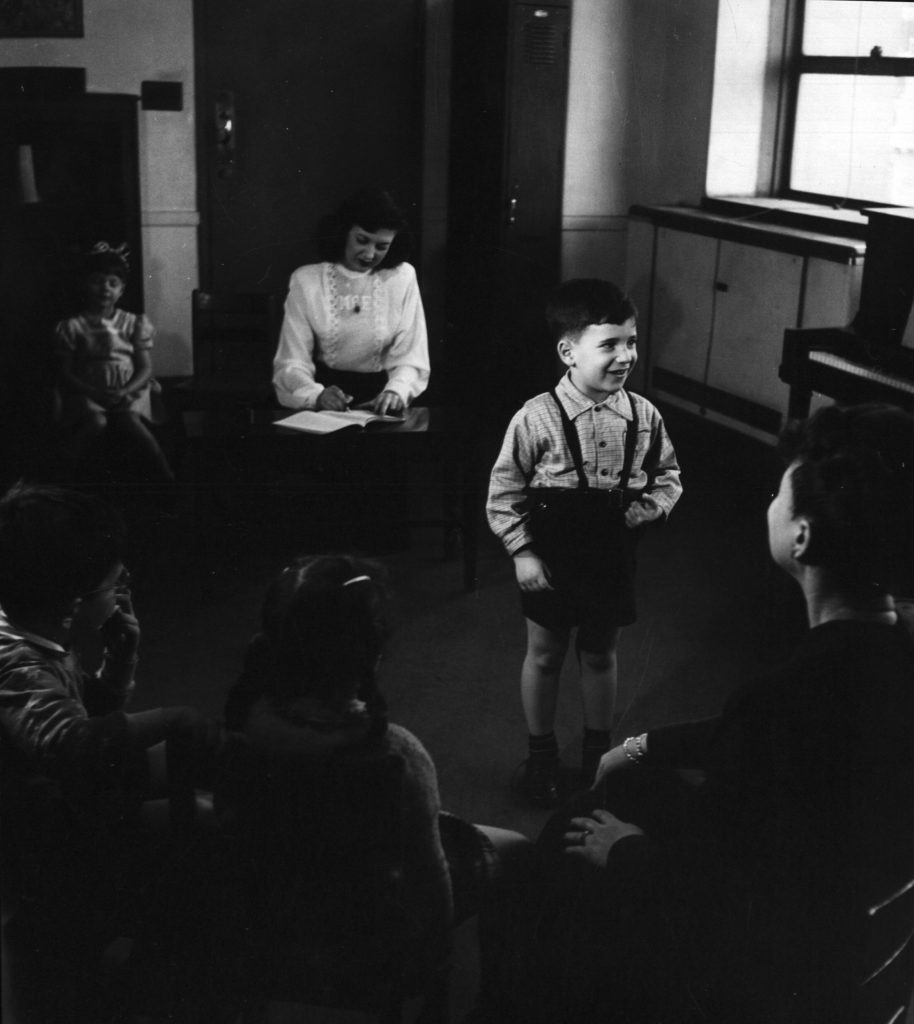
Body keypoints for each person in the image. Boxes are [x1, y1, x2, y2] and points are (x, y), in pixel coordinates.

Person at [512, 402, 914, 1023]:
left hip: (768, 973)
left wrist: (624, 850)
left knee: (574, 839)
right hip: (872, 949)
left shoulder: (786, 694)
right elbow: (762, 737)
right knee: (630, 778)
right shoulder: (885, 652)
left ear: (801, 536)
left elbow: (715, 892)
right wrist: (640, 744)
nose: (773, 503)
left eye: (781, 492)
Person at [210, 554, 531, 1016]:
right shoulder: (395, 756)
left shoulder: (233, 735)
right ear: (373, 653)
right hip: (368, 932)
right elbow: (430, 878)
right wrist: (435, 968)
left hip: (274, 920)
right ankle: (495, 1006)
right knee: (518, 849)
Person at [0, 482, 218, 1022]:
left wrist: (119, 659)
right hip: (42, 840)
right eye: (114, 583)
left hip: (58, 801)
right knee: (210, 831)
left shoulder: (34, 628)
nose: (122, 590)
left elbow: (79, 715)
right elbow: (75, 744)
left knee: (205, 796)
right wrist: (177, 720)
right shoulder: (12, 661)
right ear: (74, 600)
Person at [486, 278, 682, 808]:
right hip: (550, 555)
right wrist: (522, 553)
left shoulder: (644, 416)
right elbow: (503, 494)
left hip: (611, 554)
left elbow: (668, 476)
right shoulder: (535, 416)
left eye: (632, 342)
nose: (625, 356)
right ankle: (542, 755)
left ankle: (598, 758)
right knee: (546, 655)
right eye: (609, 344)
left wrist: (651, 506)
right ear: (568, 352)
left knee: (600, 652)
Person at [273, 187, 430, 415]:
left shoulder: (402, 277)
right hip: (325, 396)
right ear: (343, 231)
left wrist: (396, 392)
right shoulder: (306, 280)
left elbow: (412, 354)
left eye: (381, 247)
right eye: (362, 240)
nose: (369, 255)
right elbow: (291, 361)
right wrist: (316, 395)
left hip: (382, 401)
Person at [54, 242, 174, 484]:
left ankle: (165, 473)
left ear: (121, 290)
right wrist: (92, 391)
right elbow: (64, 371)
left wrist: (125, 390)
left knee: (128, 418)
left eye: (113, 283)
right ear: (84, 284)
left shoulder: (133, 322)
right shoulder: (72, 326)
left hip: (129, 388)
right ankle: (61, 476)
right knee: (95, 422)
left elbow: (145, 367)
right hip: (89, 390)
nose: (105, 288)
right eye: (97, 281)